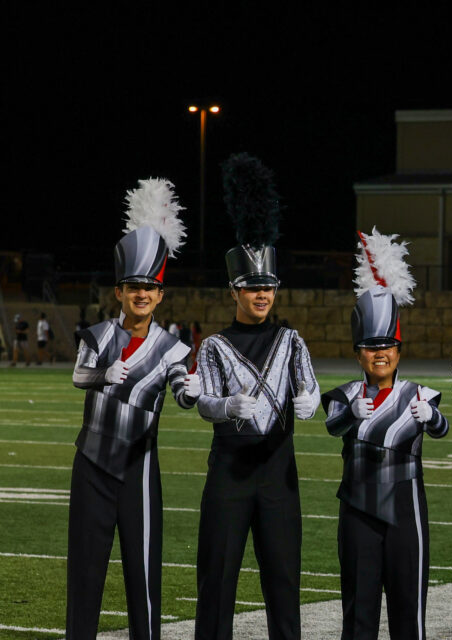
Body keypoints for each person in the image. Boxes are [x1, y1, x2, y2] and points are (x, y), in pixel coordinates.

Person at [193, 154, 320, 640]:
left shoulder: (293, 341)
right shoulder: (216, 344)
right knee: (217, 580)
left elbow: (307, 388)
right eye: (252, 287)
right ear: (234, 291)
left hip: (278, 474)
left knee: (284, 581)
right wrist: (225, 408)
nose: (262, 294)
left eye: (268, 286)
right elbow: (205, 402)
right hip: (228, 473)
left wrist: (308, 400)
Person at [67, 178, 199, 639]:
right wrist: (106, 375)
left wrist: (198, 391)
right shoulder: (98, 335)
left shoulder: (174, 348)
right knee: (85, 573)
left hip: (140, 471)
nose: (142, 293)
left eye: (150, 287)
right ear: (119, 292)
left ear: (161, 295)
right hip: (90, 464)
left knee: (143, 577)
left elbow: (184, 395)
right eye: (133, 286)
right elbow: (79, 376)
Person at [323, 229, 449, 640]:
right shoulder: (344, 395)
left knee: (408, 610)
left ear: (399, 349)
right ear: (358, 351)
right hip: (357, 507)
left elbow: (443, 429)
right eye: (371, 345)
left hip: (405, 508)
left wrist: (431, 416)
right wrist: (351, 416)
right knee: (358, 612)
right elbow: (332, 426)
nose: (381, 353)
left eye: (388, 345)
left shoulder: (421, 393)